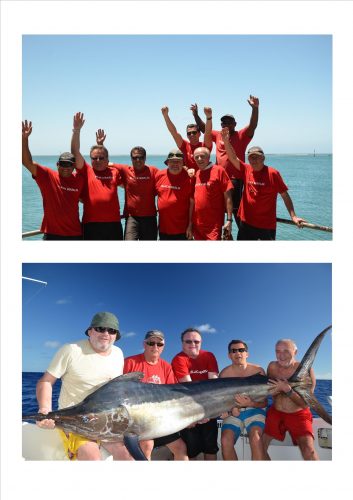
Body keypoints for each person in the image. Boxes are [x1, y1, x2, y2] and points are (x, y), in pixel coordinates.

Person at [35, 311, 132, 460]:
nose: (106, 333)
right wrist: (45, 409)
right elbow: (46, 381)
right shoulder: (71, 350)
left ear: (116, 336)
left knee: (129, 456)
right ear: (90, 331)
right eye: (100, 328)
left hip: (108, 422)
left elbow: (116, 391)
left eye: (111, 330)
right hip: (76, 422)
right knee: (91, 456)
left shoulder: (118, 354)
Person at [221, 128, 305, 239]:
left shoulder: (273, 173)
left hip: (266, 225)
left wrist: (293, 216)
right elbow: (232, 157)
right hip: (246, 223)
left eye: (257, 157)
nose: (254, 160)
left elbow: (285, 195)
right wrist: (226, 141)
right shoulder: (246, 169)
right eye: (251, 157)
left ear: (263, 158)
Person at [192, 97, 259, 224]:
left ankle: (243, 236)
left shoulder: (241, 135)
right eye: (224, 123)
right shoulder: (218, 135)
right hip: (218, 178)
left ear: (235, 124)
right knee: (218, 208)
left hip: (235, 179)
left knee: (235, 212)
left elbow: (253, 125)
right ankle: (224, 235)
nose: (226, 124)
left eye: (229, 122)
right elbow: (203, 128)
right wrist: (196, 114)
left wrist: (255, 108)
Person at [123, 330, 188, 460]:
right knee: (147, 444)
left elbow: (173, 395)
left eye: (159, 344)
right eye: (151, 343)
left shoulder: (166, 367)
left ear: (163, 347)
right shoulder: (130, 362)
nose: (155, 347)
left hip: (160, 419)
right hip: (137, 420)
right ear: (144, 344)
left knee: (181, 448)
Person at [22, 120, 84, 240]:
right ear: (57, 164)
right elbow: (26, 162)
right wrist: (24, 139)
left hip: (75, 234)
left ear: (73, 166)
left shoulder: (79, 179)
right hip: (52, 235)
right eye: (63, 164)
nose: (65, 168)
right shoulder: (47, 176)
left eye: (69, 165)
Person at [95, 129, 158, 240]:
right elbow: (104, 162)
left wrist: (185, 169)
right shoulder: (125, 170)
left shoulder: (153, 171)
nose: (138, 160)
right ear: (131, 158)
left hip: (150, 217)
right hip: (131, 218)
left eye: (141, 157)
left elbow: (168, 175)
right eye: (135, 157)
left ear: (145, 158)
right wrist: (100, 144)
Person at [263, 339, 319, 460]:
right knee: (258, 446)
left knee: (309, 451)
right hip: (275, 412)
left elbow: (306, 404)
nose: (281, 356)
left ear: (295, 352)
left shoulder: (306, 370)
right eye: (277, 351)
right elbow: (269, 389)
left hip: (298, 414)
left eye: (286, 351)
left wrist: (287, 390)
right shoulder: (271, 367)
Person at [71, 112, 124, 240]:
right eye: (95, 158)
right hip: (91, 224)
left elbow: (131, 186)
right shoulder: (86, 170)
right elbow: (75, 151)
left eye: (101, 158)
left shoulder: (114, 172)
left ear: (107, 160)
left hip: (114, 224)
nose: (98, 160)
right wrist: (76, 130)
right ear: (90, 159)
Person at [171, 328, 219, 460]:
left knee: (211, 449)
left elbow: (215, 385)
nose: (193, 344)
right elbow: (189, 389)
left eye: (196, 341)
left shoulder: (209, 355)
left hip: (209, 407)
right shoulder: (179, 359)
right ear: (182, 343)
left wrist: (209, 413)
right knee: (191, 452)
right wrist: (195, 415)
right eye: (188, 341)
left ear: (201, 342)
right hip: (188, 410)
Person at [219, 340, 267, 460]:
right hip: (234, 412)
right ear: (229, 355)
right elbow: (222, 402)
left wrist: (250, 403)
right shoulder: (224, 374)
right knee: (225, 441)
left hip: (255, 409)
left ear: (247, 354)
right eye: (233, 351)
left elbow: (265, 402)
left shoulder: (259, 371)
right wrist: (228, 412)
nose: (238, 353)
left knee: (255, 439)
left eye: (241, 350)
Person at [192, 144, 234, 240]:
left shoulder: (219, 170)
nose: (199, 159)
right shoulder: (197, 173)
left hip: (213, 226)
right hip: (198, 225)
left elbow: (228, 197)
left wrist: (229, 219)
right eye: (196, 157)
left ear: (208, 157)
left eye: (202, 156)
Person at [154, 149, 193, 240]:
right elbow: (150, 194)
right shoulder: (159, 175)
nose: (175, 164)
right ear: (167, 162)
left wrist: (190, 225)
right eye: (172, 161)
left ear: (183, 163)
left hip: (183, 229)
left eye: (178, 161)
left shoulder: (189, 178)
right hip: (163, 228)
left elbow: (192, 204)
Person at [161, 105, 213, 173]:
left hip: (203, 179)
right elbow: (174, 132)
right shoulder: (184, 145)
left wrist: (209, 117)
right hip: (189, 180)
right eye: (189, 133)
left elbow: (208, 133)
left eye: (194, 132)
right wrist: (165, 116)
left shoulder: (205, 146)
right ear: (187, 136)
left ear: (199, 134)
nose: (191, 134)